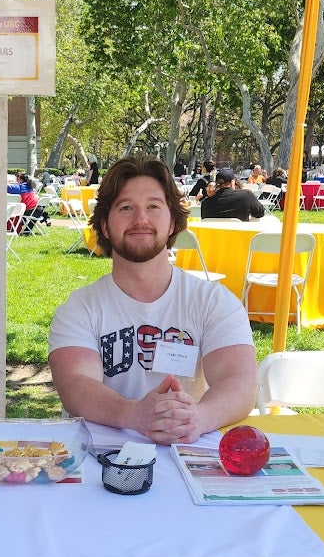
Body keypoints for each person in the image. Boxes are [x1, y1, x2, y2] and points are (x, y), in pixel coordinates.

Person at [48, 154, 256, 445]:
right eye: (126, 208)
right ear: (105, 225)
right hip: (101, 463)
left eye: (153, 207)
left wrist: (198, 418)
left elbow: (240, 382)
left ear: (173, 222)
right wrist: (135, 415)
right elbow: (75, 386)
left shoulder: (213, 302)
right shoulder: (79, 309)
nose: (140, 219)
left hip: (185, 454)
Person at [201, 167, 265, 220]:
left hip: (214, 235)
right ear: (232, 182)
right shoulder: (246, 195)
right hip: (241, 234)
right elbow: (260, 213)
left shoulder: (206, 203)